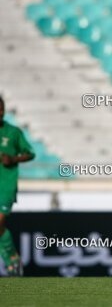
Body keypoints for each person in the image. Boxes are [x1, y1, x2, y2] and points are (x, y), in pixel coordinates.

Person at [0, 97, 35, 276]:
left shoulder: (13, 132)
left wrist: (13, 159)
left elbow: (30, 153)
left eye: (1, 109)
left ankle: (11, 259)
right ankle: (12, 262)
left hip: (5, 185)